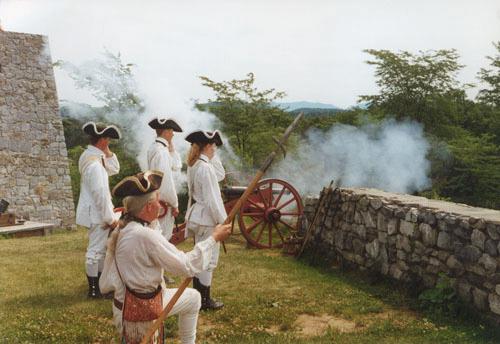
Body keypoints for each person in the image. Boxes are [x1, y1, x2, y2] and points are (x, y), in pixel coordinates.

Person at [99, 170, 231, 344]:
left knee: (192, 298)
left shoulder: (124, 226)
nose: (161, 206)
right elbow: (186, 266)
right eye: (157, 201)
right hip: (140, 310)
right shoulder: (144, 235)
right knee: (194, 298)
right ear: (148, 207)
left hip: (123, 304)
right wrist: (213, 239)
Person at [75, 121, 121, 298]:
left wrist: (107, 152)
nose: (109, 142)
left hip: (95, 211)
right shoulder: (95, 164)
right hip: (97, 213)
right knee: (95, 251)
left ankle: (99, 287)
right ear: (102, 140)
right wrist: (110, 219)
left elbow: (114, 168)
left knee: (100, 249)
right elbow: (100, 194)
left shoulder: (90, 156)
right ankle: (94, 290)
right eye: (108, 139)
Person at [184, 130, 226, 310]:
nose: (215, 149)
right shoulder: (205, 167)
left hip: (197, 215)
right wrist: (223, 221)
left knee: (200, 257)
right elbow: (213, 199)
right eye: (214, 145)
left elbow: (220, 174)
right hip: (207, 218)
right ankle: (205, 301)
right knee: (208, 261)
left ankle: (198, 299)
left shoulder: (194, 164)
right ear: (208, 146)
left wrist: (211, 156)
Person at [146, 117, 183, 241]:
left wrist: (171, 150)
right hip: (162, 203)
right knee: (162, 240)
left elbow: (176, 165)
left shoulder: (155, 148)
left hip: (155, 198)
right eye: (171, 131)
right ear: (166, 131)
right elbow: (166, 181)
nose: (173, 134)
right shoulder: (162, 152)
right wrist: (174, 203)